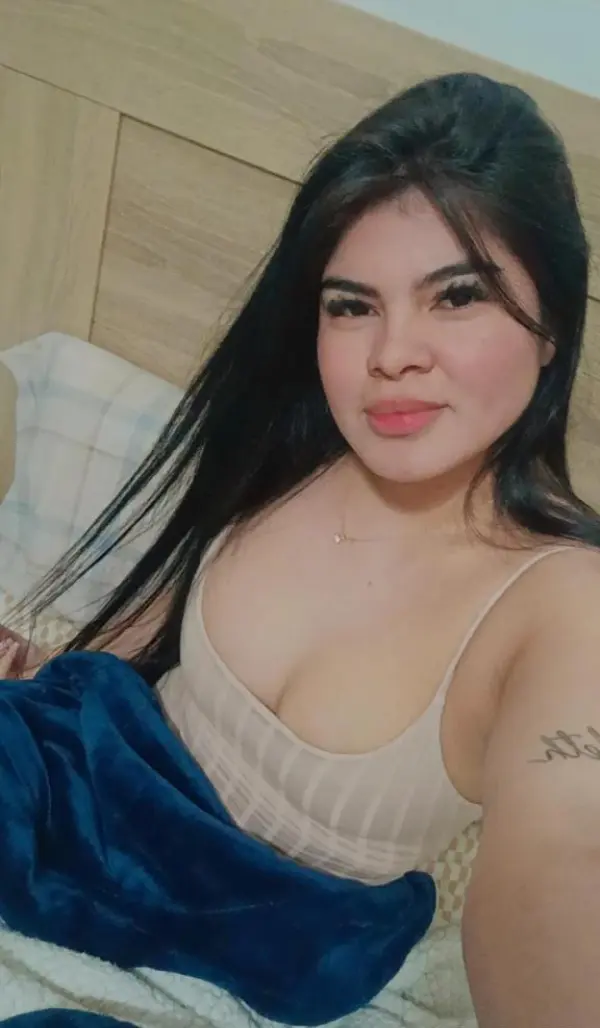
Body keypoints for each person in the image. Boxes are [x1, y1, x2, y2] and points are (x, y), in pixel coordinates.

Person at [2, 70, 600, 1027]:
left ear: (554, 327)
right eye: (351, 305)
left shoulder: (566, 604)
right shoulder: (300, 440)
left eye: (457, 296)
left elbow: (564, 855)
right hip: (72, 790)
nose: (391, 354)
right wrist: (44, 671)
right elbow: (166, 645)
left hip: (257, 942)